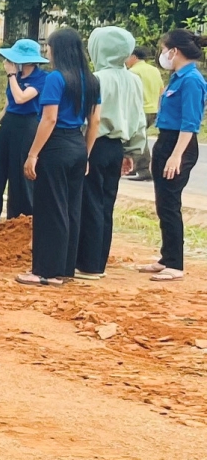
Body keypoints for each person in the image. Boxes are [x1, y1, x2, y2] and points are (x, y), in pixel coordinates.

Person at [17, 28, 101, 286]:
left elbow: (50, 118)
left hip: (56, 146)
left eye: (49, 47)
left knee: (49, 209)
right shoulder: (92, 79)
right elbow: (95, 120)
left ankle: (45, 271)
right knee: (71, 209)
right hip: (77, 143)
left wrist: (33, 153)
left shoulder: (56, 78)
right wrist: (85, 154)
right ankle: (64, 268)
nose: (47, 52)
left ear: (59, 50)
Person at [75, 26, 147, 280]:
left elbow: (89, 120)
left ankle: (87, 263)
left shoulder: (97, 79)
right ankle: (99, 261)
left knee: (89, 202)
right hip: (117, 147)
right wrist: (131, 152)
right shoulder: (133, 80)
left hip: (95, 144)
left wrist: (82, 152)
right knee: (106, 203)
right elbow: (138, 119)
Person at [138, 28, 203, 281]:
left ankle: (175, 264)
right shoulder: (178, 77)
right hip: (166, 141)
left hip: (180, 144)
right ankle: (166, 257)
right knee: (163, 202)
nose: (162, 54)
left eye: (164, 49)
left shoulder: (192, 80)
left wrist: (176, 155)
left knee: (170, 204)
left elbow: (190, 123)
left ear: (174, 51)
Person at [0, 38, 44, 223]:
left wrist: (11, 76)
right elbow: (10, 103)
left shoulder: (40, 78)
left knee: (19, 173)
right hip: (9, 122)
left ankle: (20, 218)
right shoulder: (16, 77)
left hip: (27, 124)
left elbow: (22, 98)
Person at [126, 45, 164, 179]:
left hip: (139, 110)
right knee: (134, 137)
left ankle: (143, 170)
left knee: (138, 139)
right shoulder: (154, 70)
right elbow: (161, 90)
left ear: (134, 57)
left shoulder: (133, 72)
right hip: (154, 109)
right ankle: (132, 166)